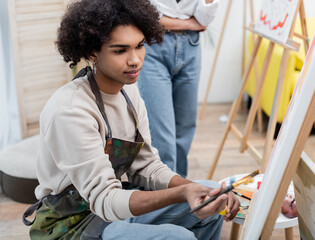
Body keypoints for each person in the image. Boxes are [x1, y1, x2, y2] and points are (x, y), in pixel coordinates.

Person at [22, 0, 240, 239]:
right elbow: (104, 199)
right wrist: (183, 193)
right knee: (178, 237)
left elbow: (147, 167)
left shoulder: (128, 92)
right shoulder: (71, 110)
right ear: (93, 52)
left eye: (140, 46)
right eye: (120, 50)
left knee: (207, 203)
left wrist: (200, 191)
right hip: (72, 226)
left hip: (112, 210)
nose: (135, 59)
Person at [137, 0, 219, 178]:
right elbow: (146, 15)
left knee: (185, 127)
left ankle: (179, 187)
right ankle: (164, 190)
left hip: (191, 46)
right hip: (154, 47)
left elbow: (204, 19)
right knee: (161, 132)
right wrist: (190, 23)